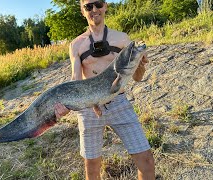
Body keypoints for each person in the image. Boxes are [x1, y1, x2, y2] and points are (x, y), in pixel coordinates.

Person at [54, 0, 155, 179]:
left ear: (106, 6)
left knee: (146, 160)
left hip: (119, 103)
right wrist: (66, 105)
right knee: (92, 167)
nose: (94, 10)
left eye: (98, 4)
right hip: (89, 108)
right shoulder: (76, 44)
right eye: (88, 6)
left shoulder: (122, 38)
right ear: (82, 11)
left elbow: (138, 78)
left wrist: (141, 65)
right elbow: (75, 80)